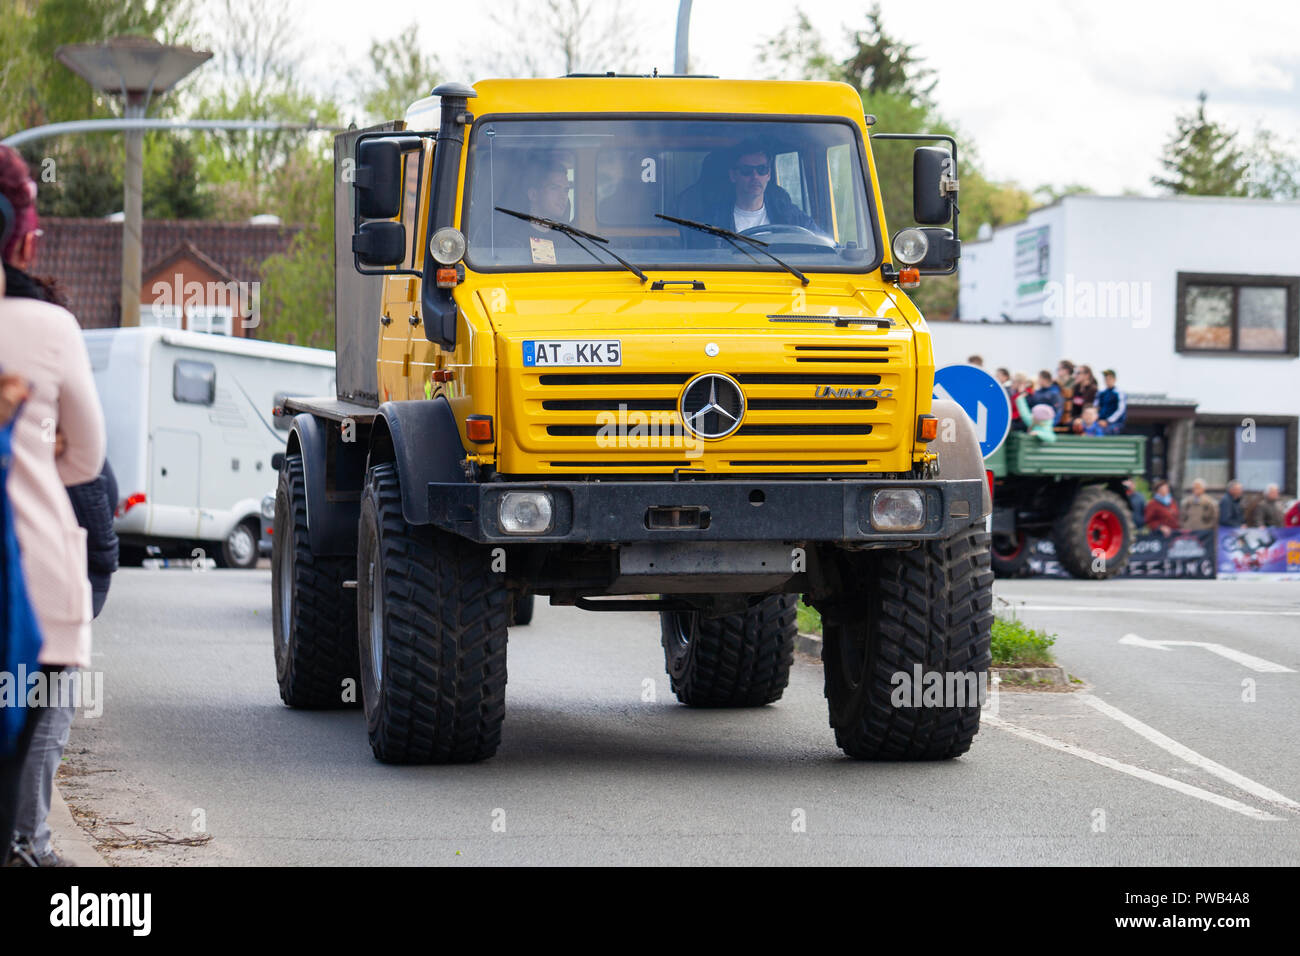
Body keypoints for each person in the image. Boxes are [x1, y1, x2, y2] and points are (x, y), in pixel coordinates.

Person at [0, 146, 107, 867]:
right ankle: (26, 841)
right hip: (33, 581)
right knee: (41, 718)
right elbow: (86, 459)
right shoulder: (48, 326)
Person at [703, 140, 819, 235]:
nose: (755, 176)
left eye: (761, 169)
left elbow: (826, 244)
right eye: (746, 170)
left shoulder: (788, 214)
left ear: (768, 174)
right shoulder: (712, 220)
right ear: (733, 176)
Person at [1096, 368, 1127, 434]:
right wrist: (1098, 420)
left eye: (1109, 379)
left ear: (1114, 380)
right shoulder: (1101, 393)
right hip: (1100, 422)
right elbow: (1096, 407)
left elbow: (1120, 410)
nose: (1107, 381)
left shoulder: (1119, 393)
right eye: (1105, 379)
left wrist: (1107, 421)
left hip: (1115, 423)